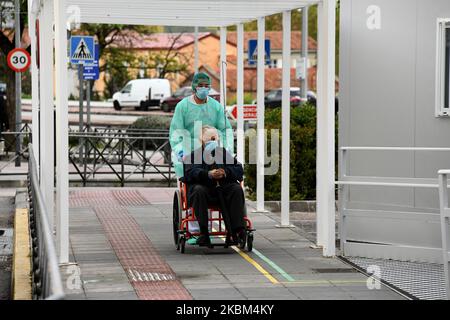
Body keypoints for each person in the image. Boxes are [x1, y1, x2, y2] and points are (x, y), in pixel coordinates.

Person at [184, 126, 246, 247]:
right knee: (197, 190)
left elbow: (238, 169)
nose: (213, 141)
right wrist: (208, 174)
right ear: (202, 140)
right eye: (210, 138)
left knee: (236, 188)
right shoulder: (194, 155)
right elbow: (190, 173)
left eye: (215, 138)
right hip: (205, 191)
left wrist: (225, 172)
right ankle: (203, 233)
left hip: (223, 189)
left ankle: (237, 230)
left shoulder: (222, 153)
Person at [169, 72, 234, 178]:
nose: (203, 88)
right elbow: (176, 132)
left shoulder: (216, 106)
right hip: (190, 153)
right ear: (194, 87)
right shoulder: (182, 106)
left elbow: (226, 129)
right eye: (200, 86)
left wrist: (226, 148)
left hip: (212, 152)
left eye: (206, 86)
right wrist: (181, 152)